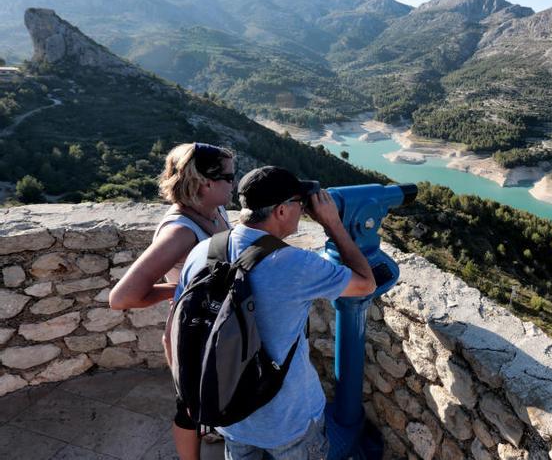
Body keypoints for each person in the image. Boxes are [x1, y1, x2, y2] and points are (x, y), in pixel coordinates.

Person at [171, 165, 376, 460]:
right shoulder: (296, 265)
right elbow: (365, 283)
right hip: (289, 421)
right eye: (299, 204)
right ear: (281, 211)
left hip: (228, 413)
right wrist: (333, 225)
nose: (303, 210)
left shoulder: (202, 251)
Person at [109, 142, 235, 460]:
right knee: (189, 406)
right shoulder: (181, 231)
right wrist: (179, 291)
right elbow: (121, 297)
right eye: (230, 177)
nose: (235, 183)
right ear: (206, 183)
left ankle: (214, 427)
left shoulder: (214, 210)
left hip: (216, 325)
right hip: (193, 333)